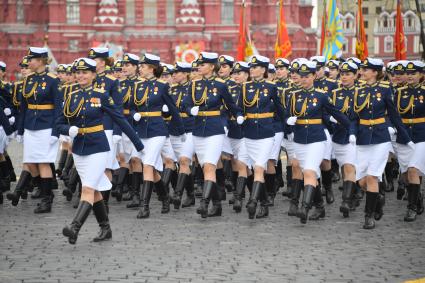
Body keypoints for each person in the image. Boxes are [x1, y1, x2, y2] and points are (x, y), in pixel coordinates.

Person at [58, 58, 144, 245]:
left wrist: (138, 144)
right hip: (79, 148)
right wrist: (67, 130)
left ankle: (74, 228)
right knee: (94, 191)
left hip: (98, 147)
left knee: (88, 188)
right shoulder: (70, 96)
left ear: (93, 75)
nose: (81, 76)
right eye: (78, 72)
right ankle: (106, 228)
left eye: (85, 72)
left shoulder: (101, 95)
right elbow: (57, 124)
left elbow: (120, 119)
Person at [286, 60, 352, 224]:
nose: (304, 79)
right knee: (307, 172)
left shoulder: (321, 96)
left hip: (317, 139)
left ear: (314, 76)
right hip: (300, 140)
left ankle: (305, 207)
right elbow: (286, 115)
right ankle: (320, 206)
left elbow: (337, 114)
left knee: (309, 171)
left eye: (307, 76)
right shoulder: (294, 96)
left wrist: (352, 130)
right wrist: (288, 120)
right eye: (301, 76)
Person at [181, 51, 243, 218]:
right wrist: (189, 109)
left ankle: (204, 204)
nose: (199, 67)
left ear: (211, 66)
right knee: (205, 167)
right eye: (199, 64)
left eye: (202, 64)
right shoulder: (193, 85)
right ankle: (217, 205)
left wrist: (238, 115)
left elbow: (230, 105)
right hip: (198, 130)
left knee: (209, 166)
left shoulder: (221, 85)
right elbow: (185, 103)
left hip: (215, 130)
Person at [354, 58, 412, 229]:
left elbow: (394, 115)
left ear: (375, 72)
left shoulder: (386, 90)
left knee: (372, 177)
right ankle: (377, 198)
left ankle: (368, 216)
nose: (362, 72)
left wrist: (405, 137)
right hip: (362, 138)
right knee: (362, 181)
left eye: (365, 70)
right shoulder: (358, 90)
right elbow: (353, 116)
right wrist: (351, 132)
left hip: (380, 138)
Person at [131, 53, 184, 219]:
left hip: (157, 130)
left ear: (152, 68)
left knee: (147, 165)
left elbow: (173, 109)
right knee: (151, 169)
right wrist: (134, 114)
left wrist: (181, 129)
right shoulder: (137, 85)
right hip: (141, 130)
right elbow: (131, 106)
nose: (140, 69)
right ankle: (164, 197)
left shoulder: (162, 86)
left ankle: (144, 206)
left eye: (143, 66)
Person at [15, 47, 62, 214]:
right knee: (30, 162)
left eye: (32, 59)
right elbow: (23, 107)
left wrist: (56, 132)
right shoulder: (28, 80)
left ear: (41, 60)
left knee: (43, 162)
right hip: (30, 126)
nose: (29, 62)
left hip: (46, 127)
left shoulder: (53, 80)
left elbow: (58, 108)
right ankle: (43, 190)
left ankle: (46, 199)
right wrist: (20, 131)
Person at [242, 55, 285, 219]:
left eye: (255, 67)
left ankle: (253, 201)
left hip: (267, 132)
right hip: (249, 133)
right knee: (249, 169)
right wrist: (239, 116)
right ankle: (264, 200)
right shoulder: (245, 87)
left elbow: (280, 109)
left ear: (263, 69)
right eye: (251, 67)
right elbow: (239, 107)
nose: (252, 70)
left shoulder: (271, 87)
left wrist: (288, 124)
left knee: (260, 167)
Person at [88, 47, 122, 211]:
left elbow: (117, 109)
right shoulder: (87, 80)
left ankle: (105, 203)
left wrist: (117, 131)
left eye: (94, 60)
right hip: (89, 127)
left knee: (106, 166)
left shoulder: (111, 81)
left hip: (107, 128)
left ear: (101, 62)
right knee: (92, 165)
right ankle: (93, 197)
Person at [393, 60, 425, 222]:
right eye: (408, 73)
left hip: (421, 135)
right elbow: (394, 114)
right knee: (405, 174)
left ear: (421, 75)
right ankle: (418, 198)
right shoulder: (399, 92)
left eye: (414, 73)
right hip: (404, 135)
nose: (410, 76)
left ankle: (411, 207)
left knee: (413, 170)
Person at [331, 62, 358, 218]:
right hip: (339, 135)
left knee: (349, 167)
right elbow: (326, 111)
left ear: (355, 75)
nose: (345, 77)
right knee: (344, 168)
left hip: (355, 136)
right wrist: (331, 119)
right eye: (342, 74)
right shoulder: (335, 93)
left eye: (348, 74)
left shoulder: (360, 92)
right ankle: (352, 194)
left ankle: (346, 201)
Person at [169, 62, 197, 209]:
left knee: (184, 160)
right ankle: (191, 194)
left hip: (190, 128)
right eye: (173, 72)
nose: (174, 75)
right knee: (179, 162)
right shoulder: (172, 89)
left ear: (186, 73)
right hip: (174, 129)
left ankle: (178, 194)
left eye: (177, 72)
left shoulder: (193, 88)